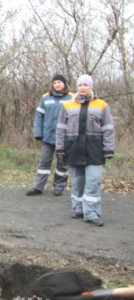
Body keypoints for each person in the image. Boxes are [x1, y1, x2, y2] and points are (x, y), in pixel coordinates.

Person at [56, 74, 115, 227]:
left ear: (91, 87)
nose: (83, 88)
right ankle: (78, 209)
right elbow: (61, 128)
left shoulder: (102, 105)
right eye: (80, 85)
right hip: (73, 146)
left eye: (86, 85)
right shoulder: (68, 105)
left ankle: (91, 213)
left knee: (93, 181)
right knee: (77, 180)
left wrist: (108, 149)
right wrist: (60, 147)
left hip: (94, 148)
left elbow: (108, 129)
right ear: (77, 87)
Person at [26, 74, 73, 196]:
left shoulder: (72, 98)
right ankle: (38, 187)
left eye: (59, 82)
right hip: (47, 136)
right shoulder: (45, 98)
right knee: (44, 162)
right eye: (55, 82)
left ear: (64, 83)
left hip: (64, 137)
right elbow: (39, 116)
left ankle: (59, 186)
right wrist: (38, 132)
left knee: (62, 163)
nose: (57, 85)